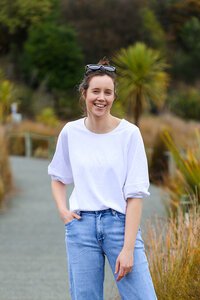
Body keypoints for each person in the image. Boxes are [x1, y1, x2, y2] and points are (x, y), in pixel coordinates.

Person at [48, 58, 157, 300]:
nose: (101, 97)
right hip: (81, 227)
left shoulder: (129, 134)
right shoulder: (70, 132)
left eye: (108, 92)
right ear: (84, 93)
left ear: (114, 97)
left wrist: (128, 249)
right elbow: (58, 177)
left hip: (119, 226)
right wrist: (63, 212)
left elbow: (136, 195)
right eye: (95, 91)